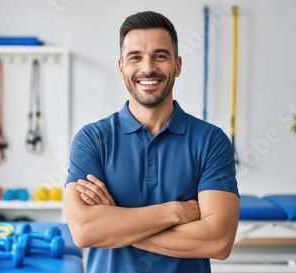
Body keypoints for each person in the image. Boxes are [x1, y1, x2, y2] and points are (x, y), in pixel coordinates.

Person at [64, 10, 240, 273]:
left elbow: (218, 241)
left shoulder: (211, 141)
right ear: (121, 67)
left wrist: (117, 225)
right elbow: (84, 231)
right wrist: (176, 212)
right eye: (135, 57)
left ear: (177, 65)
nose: (147, 68)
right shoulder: (92, 140)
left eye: (160, 56)